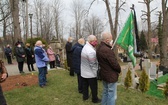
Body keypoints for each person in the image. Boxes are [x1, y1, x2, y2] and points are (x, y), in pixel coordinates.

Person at [96, 32, 121, 105]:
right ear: (107, 40)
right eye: (111, 39)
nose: (112, 41)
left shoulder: (99, 48)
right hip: (110, 75)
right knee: (111, 94)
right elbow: (114, 64)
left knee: (105, 92)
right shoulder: (107, 50)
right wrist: (119, 69)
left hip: (104, 73)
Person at [81, 35, 101, 103]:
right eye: (95, 41)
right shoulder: (90, 51)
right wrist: (96, 72)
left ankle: (85, 96)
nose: (96, 42)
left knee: (85, 85)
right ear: (91, 41)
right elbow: (93, 64)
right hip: (90, 73)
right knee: (94, 87)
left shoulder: (85, 47)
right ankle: (95, 99)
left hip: (84, 71)